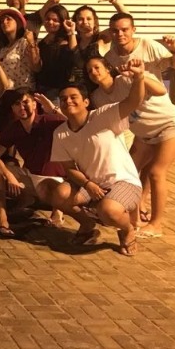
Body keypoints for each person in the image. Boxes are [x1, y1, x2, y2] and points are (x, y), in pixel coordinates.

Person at [50, 59, 148, 257]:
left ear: (86, 102)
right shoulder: (60, 133)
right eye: (63, 99)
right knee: (59, 194)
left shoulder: (103, 116)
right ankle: (87, 226)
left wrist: (139, 77)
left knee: (108, 210)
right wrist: (88, 184)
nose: (68, 101)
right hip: (92, 184)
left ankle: (127, 230)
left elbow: (133, 101)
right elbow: (69, 168)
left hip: (124, 182)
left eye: (74, 97)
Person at [87, 55, 175, 237]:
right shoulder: (98, 97)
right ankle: (135, 220)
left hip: (169, 125)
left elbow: (160, 91)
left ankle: (156, 224)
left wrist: (139, 76)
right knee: (129, 174)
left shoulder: (126, 79)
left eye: (97, 68)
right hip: (143, 135)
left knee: (156, 173)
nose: (93, 73)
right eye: (89, 71)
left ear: (108, 69)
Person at [0, 90, 68, 236]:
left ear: (34, 104)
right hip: (31, 178)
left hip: (56, 181)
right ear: (12, 108)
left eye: (26, 102)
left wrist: (53, 109)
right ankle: (2, 218)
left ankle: (57, 211)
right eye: (17, 104)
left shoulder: (49, 121)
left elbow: (76, 124)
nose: (22, 107)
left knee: (58, 189)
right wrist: (9, 175)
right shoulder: (14, 128)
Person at [105, 12, 175, 82]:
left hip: (155, 96)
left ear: (133, 30)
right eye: (115, 31)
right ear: (110, 32)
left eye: (124, 30)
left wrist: (174, 48)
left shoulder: (148, 45)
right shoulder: (109, 57)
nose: (120, 34)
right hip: (128, 97)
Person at [36, 5, 77, 102]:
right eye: (47, 19)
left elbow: (74, 53)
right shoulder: (42, 43)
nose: (50, 22)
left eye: (55, 20)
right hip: (41, 88)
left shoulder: (68, 39)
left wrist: (71, 32)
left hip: (58, 91)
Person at [0, 8, 40, 92]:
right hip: (6, 93)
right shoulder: (3, 49)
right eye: (2, 21)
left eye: (8, 19)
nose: (4, 22)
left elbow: (36, 67)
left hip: (23, 92)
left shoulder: (24, 42)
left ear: (18, 22)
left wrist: (31, 43)